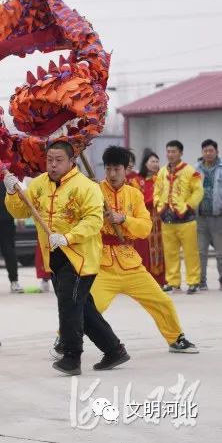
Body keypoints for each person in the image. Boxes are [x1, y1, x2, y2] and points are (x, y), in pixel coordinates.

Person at [4, 141, 129, 376]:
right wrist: (12, 193)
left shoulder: (86, 187)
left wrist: (68, 237)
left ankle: (72, 355)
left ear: (72, 161)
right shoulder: (38, 184)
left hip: (80, 257)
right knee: (81, 307)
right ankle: (114, 350)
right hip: (53, 255)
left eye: (59, 160)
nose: (53, 165)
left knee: (69, 304)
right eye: (49, 160)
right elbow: (20, 211)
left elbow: (94, 220)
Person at [90, 146, 198, 353]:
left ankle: (176, 338)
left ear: (126, 169)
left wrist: (123, 219)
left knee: (161, 301)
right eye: (108, 168)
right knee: (88, 306)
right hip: (102, 264)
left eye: (117, 169)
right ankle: (64, 339)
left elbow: (145, 228)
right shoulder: (94, 191)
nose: (112, 174)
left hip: (130, 262)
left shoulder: (134, 194)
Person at [154, 140, 203, 293]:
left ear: (181, 153)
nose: (170, 154)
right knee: (170, 253)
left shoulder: (190, 170)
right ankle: (173, 282)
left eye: (174, 151)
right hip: (167, 219)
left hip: (186, 220)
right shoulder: (162, 172)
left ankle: (193, 282)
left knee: (191, 252)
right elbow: (157, 191)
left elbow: (198, 191)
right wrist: (159, 206)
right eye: (168, 151)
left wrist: (188, 206)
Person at [130, 152, 166, 286]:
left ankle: (161, 280)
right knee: (144, 249)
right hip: (144, 219)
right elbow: (138, 200)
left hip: (160, 220)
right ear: (145, 163)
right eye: (152, 161)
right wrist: (154, 199)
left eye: (157, 161)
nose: (155, 164)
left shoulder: (162, 178)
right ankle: (145, 280)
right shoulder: (137, 180)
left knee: (162, 249)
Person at [195, 139, 222, 290]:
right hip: (200, 217)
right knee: (201, 252)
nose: (208, 153)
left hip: (219, 216)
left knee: (220, 252)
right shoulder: (195, 169)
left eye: (211, 150)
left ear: (217, 152)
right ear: (202, 152)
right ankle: (201, 281)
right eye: (205, 151)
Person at [0, 182, 23, 293]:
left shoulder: (8, 177)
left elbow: (17, 194)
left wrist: (20, 217)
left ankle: (14, 281)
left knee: (9, 251)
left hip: (6, 219)